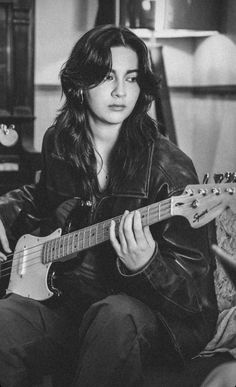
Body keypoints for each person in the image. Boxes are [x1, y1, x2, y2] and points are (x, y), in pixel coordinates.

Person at [0, 24, 218, 387]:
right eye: (106, 77)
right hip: (70, 300)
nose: (120, 91)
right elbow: (42, 197)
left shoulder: (170, 168)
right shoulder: (60, 141)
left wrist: (147, 266)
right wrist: (3, 212)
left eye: (131, 78)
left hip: (151, 315)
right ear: (79, 85)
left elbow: (195, 297)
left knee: (114, 315)